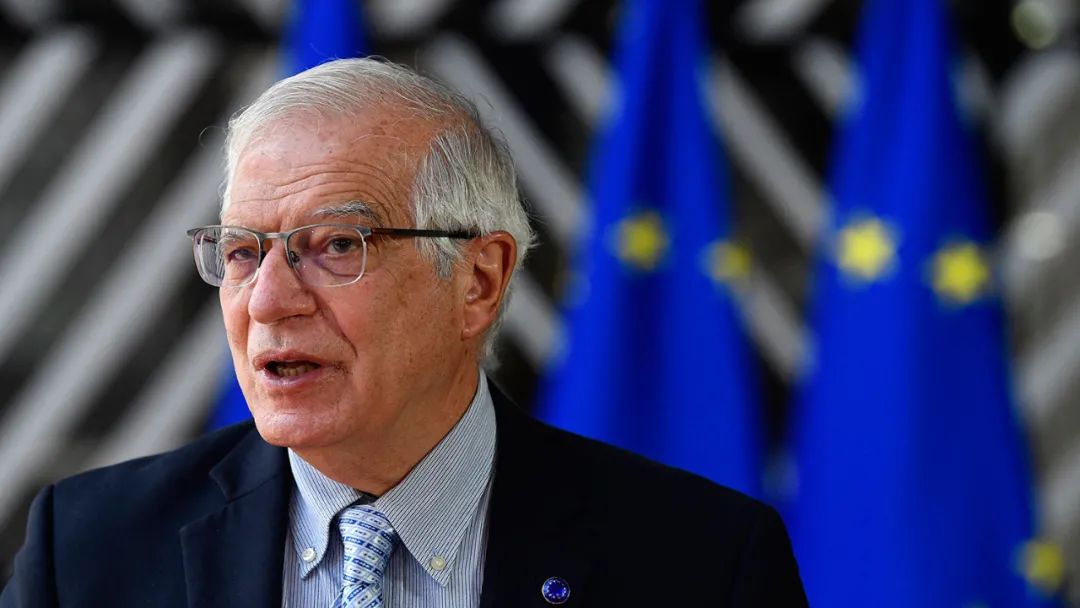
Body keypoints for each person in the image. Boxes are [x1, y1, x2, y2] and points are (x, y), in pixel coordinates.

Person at [0, 58, 807, 607]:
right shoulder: (90, 549)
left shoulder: (703, 564)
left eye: (335, 245)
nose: (269, 300)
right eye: (243, 251)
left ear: (479, 281)